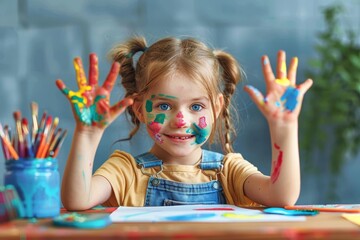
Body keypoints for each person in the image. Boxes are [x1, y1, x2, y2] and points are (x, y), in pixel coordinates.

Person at [56, 36, 313, 211]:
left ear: (217, 108)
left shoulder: (229, 171)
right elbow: (77, 201)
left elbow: (282, 196)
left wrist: (285, 129)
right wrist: (87, 134)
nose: (181, 121)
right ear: (140, 110)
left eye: (196, 106)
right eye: (164, 106)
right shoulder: (125, 172)